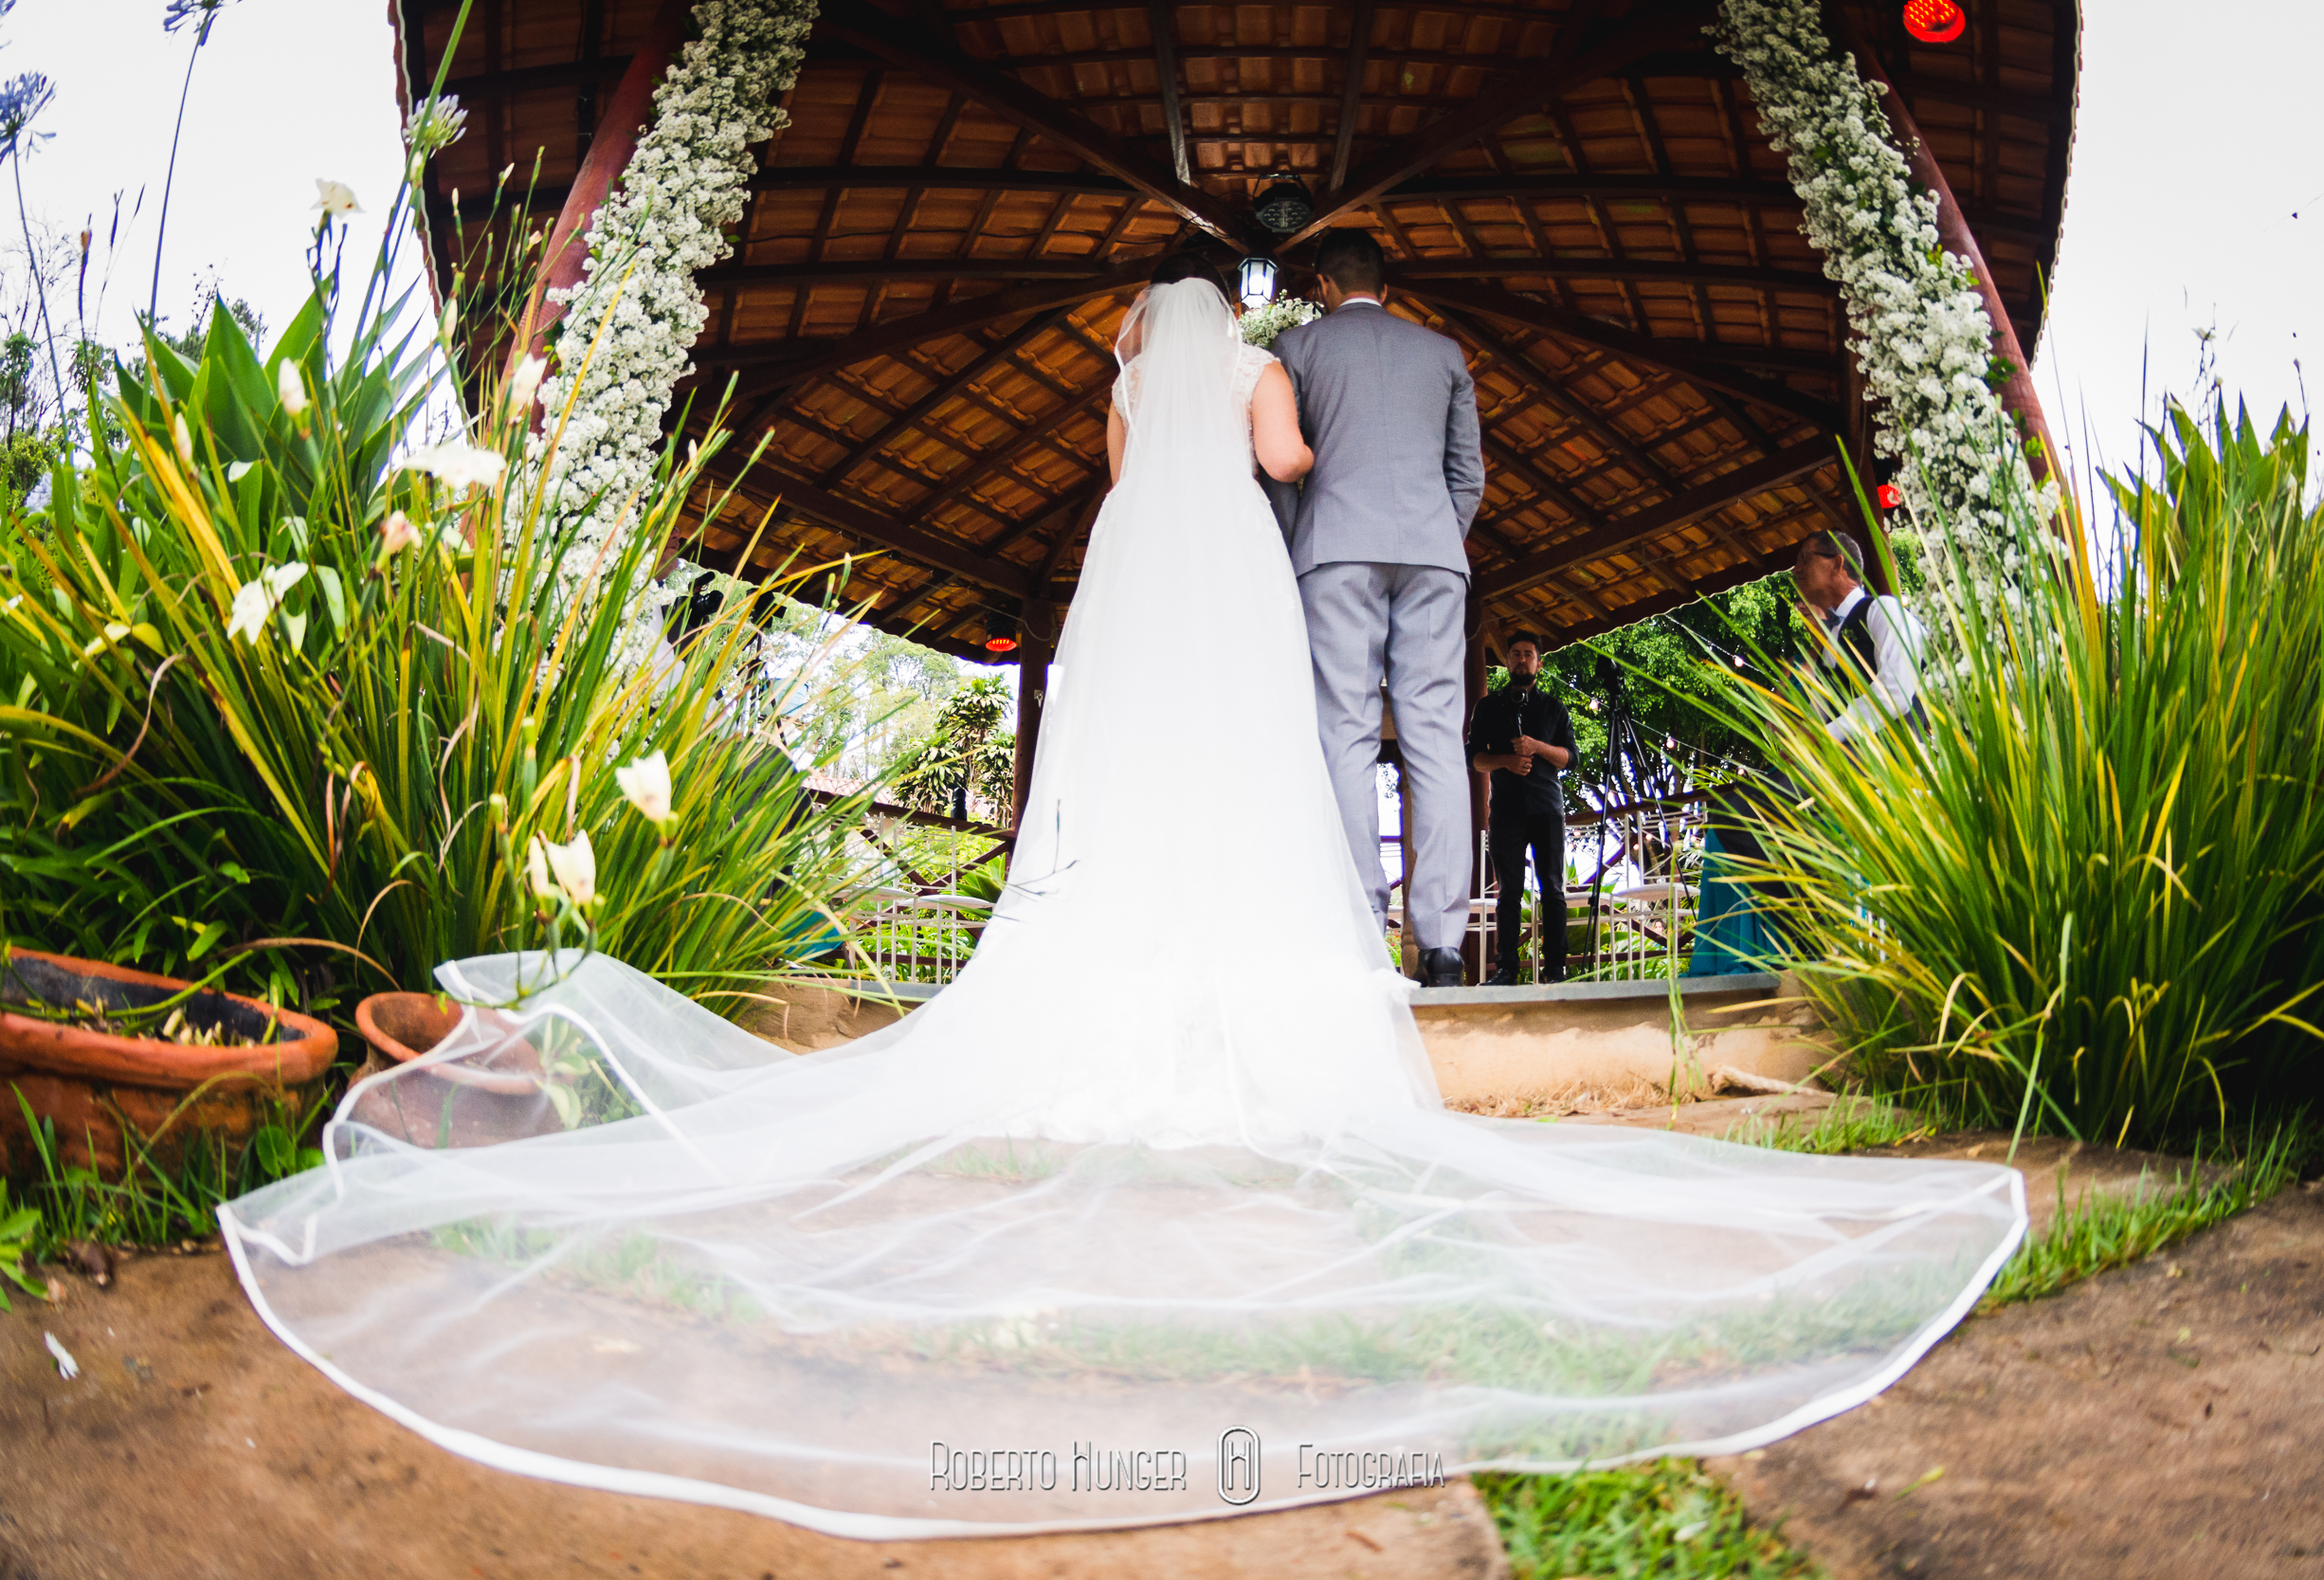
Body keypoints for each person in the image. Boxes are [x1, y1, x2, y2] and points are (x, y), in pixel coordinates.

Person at [219, 275, 2025, 1541]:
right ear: (1218, 320)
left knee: (1165, 743)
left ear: (1130, 330)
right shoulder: (1265, 362)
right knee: (1284, 748)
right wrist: (1289, 447)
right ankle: (1404, 939)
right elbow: (1289, 469)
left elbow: (1112, 476)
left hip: (1139, 567)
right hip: (1250, 554)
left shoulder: (1125, 380)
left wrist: (1167, 442)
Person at [1267, 228, 1483, 990]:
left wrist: (1304, 549)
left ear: (1324, 285)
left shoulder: (1297, 348)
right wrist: (1435, 537)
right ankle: (1446, 941)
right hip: (1433, 553)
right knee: (1435, 737)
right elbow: (1468, 474)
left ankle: (1363, 919)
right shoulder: (1445, 355)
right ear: (1385, 287)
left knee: (1346, 730)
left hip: (1335, 550)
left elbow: (1283, 473)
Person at [1466, 633, 1576, 985]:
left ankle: (1556, 968)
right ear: (1507, 661)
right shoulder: (1487, 707)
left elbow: (1570, 758)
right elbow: (1474, 758)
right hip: (1506, 811)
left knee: (1553, 889)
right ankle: (1506, 969)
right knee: (1509, 892)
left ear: (1539, 663)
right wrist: (1508, 762)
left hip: (1547, 809)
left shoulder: (1554, 707)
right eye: (1515, 654)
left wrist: (1536, 746)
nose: (1521, 659)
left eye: (1528, 654)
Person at [1791, 529, 1927, 741]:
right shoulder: (1832, 643)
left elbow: (1897, 690)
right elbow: (1817, 720)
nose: (1796, 570)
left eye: (1805, 558)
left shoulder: (1882, 610)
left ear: (1837, 564)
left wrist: (1827, 735)